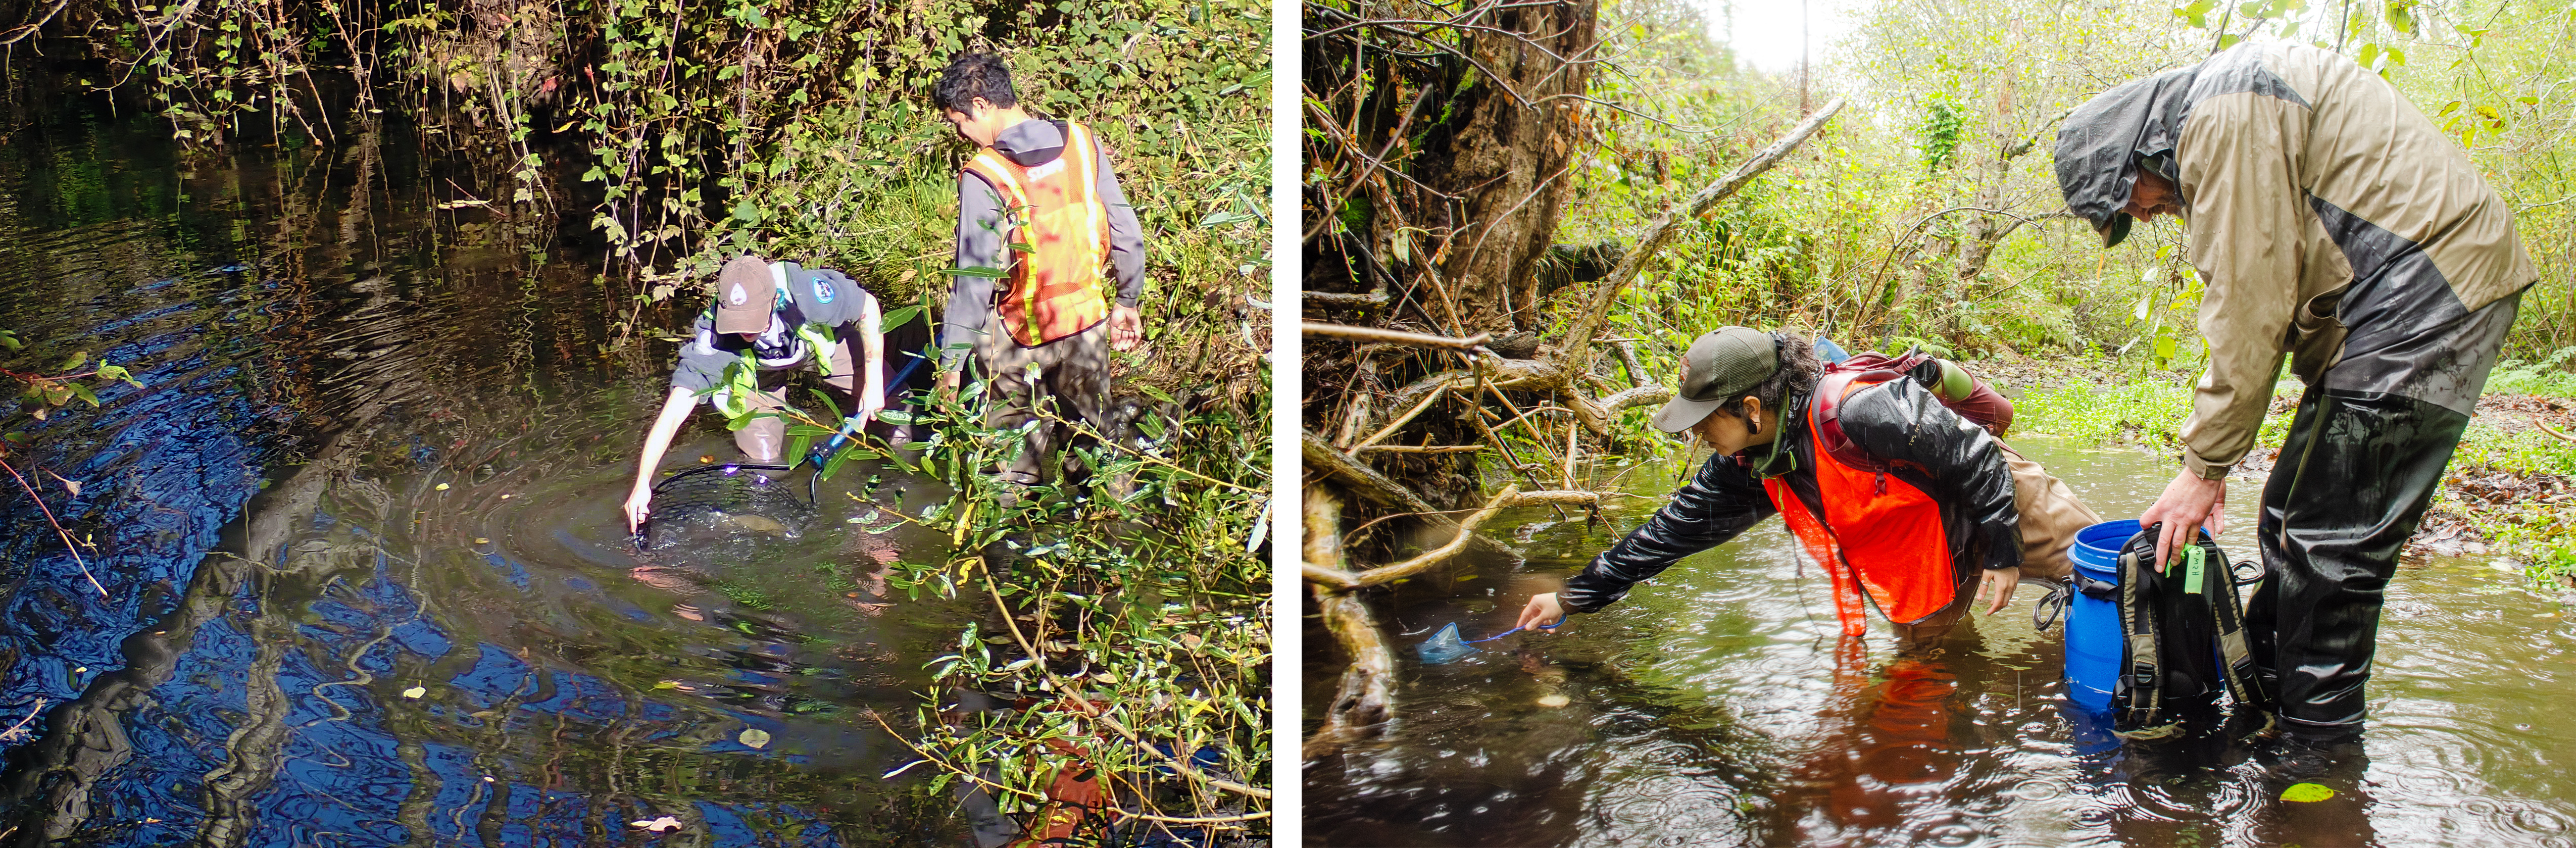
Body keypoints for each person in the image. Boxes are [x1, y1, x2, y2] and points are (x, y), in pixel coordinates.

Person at [2054, 42, 2538, 745]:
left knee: (2329, 553)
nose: (2147, 214)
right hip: (2383, 314)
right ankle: (2263, 715)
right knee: (2286, 515)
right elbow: (2272, 297)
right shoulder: (2221, 112)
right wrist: (2210, 471)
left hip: (2428, 293)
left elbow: (2249, 301)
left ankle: (2316, 772)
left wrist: (2203, 468)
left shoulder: (2221, 117)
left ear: (2133, 156)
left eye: (2131, 200)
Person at [1513, 328, 2101, 647]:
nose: (1696, 437)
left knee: (2122, 578)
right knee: (1931, 669)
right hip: (1927, 543)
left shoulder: (1860, 411)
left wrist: (2003, 552)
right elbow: (1667, 536)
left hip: (1998, 493)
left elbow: (1975, 456)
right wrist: (1571, 596)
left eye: (1703, 421)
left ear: (1749, 408)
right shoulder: (1750, 465)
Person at [932, 53, 1147, 489]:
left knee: (1009, 469)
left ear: (981, 105)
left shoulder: (985, 172)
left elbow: (973, 278)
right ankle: (1104, 542)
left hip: (1015, 338)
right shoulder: (1084, 144)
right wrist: (1127, 300)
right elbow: (1125, 225)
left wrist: (951, 364)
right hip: (1085, 325)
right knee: (1098, 451)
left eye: (960, 123)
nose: (962, 135)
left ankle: (1005, 556)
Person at [622, 254, 887, 532]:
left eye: (753, 319)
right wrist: (642, 483)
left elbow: (867, 306)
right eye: (738, 321)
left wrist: (874, 382)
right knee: (764, 466)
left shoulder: (806, 293)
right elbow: (674, 413)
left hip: (821, 347)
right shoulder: (713, 337)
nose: (746, 330)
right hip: (759, 373)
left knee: (895, 414)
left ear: (775, 301)